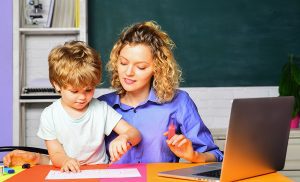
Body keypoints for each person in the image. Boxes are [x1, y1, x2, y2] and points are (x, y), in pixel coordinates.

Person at [3, 21, 222, 166]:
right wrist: (36, 158)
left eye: (141, 67)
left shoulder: (178, 102)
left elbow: (216, 157)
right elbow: (78, 158)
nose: (128, 72)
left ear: (158, 68)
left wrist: (193, 156)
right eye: (123, 62)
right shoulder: (99, 105)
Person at [4, 41, 141, 172]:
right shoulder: (50, 115)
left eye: (88, 90)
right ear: (57, 84)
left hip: (98, 171)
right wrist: (65, 161)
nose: (82, 97)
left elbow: (135, 134)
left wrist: (125, 137)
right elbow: (56, 153)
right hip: (65, 171)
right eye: (74, 91)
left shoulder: (101, 109)